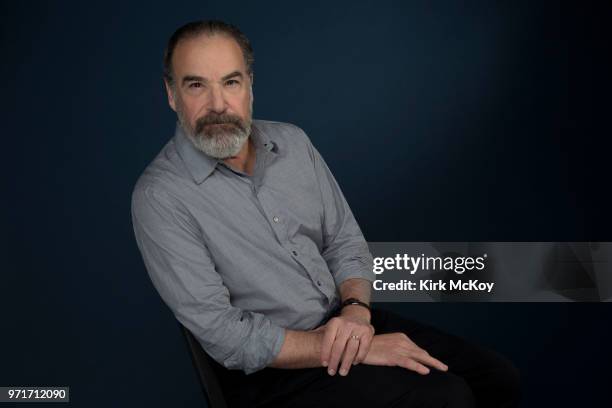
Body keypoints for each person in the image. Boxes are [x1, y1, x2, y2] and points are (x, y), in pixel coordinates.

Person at [131, 20, 521, 408]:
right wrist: (345, 348)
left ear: (250, 85)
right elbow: (225, 334)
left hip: (347, 321)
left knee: (495, 377)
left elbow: (344, 242)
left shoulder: (293, 143)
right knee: (444, 398)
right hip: (273, 373)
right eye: (196, 84)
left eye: (231, 82)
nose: (218, 104)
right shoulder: (160, 196)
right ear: (171, 94)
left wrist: (355, 313)